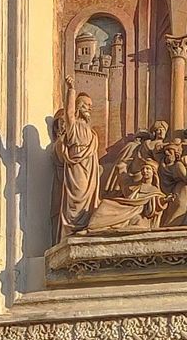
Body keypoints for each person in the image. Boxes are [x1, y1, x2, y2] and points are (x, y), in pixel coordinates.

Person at [53, 76, 101, 239]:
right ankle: (72, 231)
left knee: (88, 202)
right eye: (87, 105)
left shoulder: (91, 132)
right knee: (76, 199)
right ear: (79, 107)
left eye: (91, 106)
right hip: (77, 169)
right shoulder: (73, 127)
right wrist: (71, 90)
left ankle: (85, 227)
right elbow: (68, 113)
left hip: (89, 169)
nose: (90, 108)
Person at [87, 160, 167, 234]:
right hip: (126, 207)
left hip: (136, 211)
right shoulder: (135, 185)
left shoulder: (154, 190)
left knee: (135, 220)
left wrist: (165, 200)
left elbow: (155, 204)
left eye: (148, 169)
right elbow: (125, 188)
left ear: (153, 172)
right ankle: (91, 228)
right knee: (105, 203)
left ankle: (97, 228)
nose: (144, 171)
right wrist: (121, 169)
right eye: (143, 169)